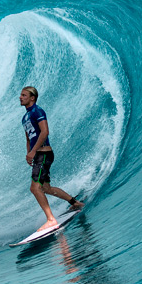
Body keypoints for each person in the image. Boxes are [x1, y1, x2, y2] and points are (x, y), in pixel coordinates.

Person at [19, 86, 82, 233]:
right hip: (37, 155)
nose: (20, 97)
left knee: (34, 188)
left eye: (24, 95)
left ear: (32, 98)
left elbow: (45, 131)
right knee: (46, 188)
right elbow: (28, 138)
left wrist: (34, 152)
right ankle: (75, 202)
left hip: (44, 154)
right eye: (21, 95)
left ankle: (51, 220)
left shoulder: (37, 111)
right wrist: (29, 153)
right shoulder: (25, 118)